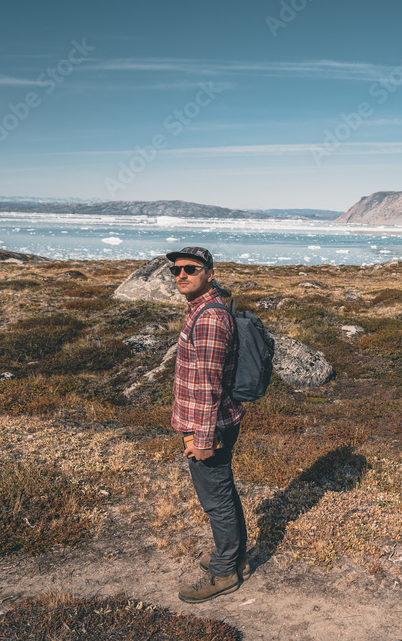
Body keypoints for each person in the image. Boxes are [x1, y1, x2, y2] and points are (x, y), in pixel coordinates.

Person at [166, 246, 250, 603]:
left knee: (216, 499)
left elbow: (208, 386)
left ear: (209, 273)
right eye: (176, 270)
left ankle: (225, 572)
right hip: (210, 422)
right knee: (222, 491)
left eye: (191, 269)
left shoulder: (210, 318)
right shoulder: (200, 309)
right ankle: (234, 556)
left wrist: (201, 438)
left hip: (207, 426)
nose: (181, 275)